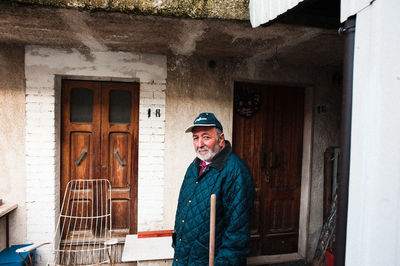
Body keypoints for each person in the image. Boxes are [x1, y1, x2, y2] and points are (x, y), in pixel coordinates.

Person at [173, 112, 255, 265]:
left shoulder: (236, 172)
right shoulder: (195, 166)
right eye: (195, 138)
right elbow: (183, 207)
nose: (200, 144)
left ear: (221, 139)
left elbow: (237, 233)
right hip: (183, 258)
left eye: (206, 137)